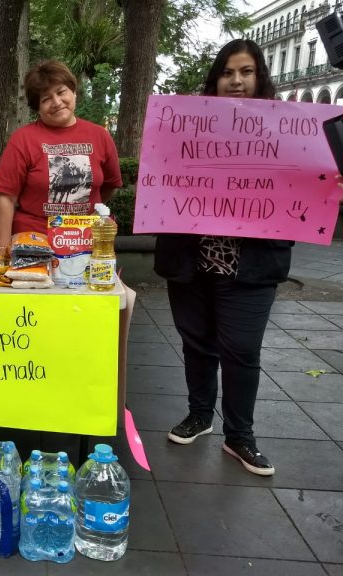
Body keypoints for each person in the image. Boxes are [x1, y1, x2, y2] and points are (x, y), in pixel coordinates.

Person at [155, 39, 290, 476]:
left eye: (246, 72)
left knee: (242, 350)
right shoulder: (187, 126)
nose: (236, 81)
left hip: (252, 264)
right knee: (196, 342)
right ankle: (200, 415)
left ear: (259, 76)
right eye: (228, 72)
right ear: (216, 79)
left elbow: (306, 182)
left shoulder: (288, 132)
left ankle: (240, 436)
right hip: (192, 260)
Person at [0, 60, 123, 250]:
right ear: (37, 108)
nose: (57, 102)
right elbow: (6, 199)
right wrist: (2, 252)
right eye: (46, 99)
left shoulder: (100, 136)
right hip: (34, 243)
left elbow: (110, 185)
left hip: (85, 241)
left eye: (61, 92)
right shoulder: (23, 139)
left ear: (73, 91)